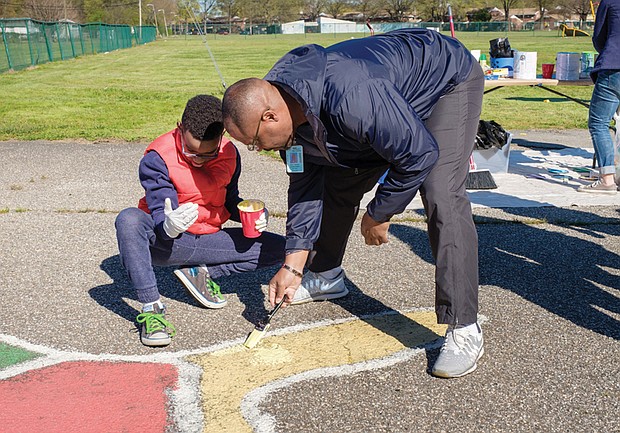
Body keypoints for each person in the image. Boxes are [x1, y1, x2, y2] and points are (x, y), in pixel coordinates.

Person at [222, 29, 485, 378]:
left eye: (254, 141)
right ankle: (326, 274)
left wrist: (380, 212)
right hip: (387, 105)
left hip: (445, 80)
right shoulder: (289, 113)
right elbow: (305, 188)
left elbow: (418, 154)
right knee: (336, 181)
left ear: (270, 116)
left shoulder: (352, 97)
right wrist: (294, 266)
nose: (259, 150)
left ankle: (464, 326)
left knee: (441, 191)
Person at [115, 95, 285, 347]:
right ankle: (151, 309)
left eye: (208, 154)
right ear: (180, 128)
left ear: (222, 137)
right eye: (190, 151)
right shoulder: (157, 156)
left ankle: (201, 273)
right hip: (166, 243)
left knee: (286, 249)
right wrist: (168, 225)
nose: (197, 160)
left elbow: (229, 201)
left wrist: (255, 214)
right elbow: (161, 212)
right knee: (128, 219)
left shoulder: (229, 154)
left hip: (207, 240)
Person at [578, 0, 620, 195]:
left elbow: (599, 37)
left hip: (614, 67)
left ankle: (607, 179)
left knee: (599, 124)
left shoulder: (610, 2)